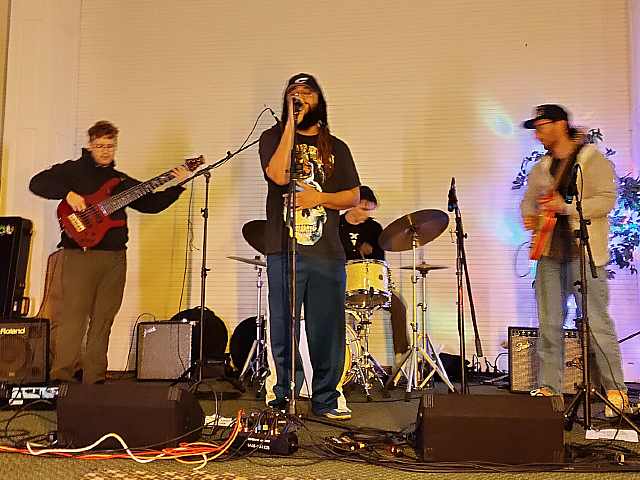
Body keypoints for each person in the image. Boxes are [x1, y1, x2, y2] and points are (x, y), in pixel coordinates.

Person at [29, 120, 189, 385]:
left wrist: (179, 185)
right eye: (100, 145)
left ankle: (94, 378)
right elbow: (37, 183)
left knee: (103, 319)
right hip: (80, 255)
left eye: (110, 146)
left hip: (114, 257)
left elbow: (150, 204)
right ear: (90, 145)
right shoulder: (73, 170)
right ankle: (61, 378)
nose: (105, 151)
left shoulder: (121, 182)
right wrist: (67, 193)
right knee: (73, 318)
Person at [259, 74, 360, 420]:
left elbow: (353, 196)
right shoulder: (273, 137)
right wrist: (290, 123)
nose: (300, 97)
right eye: (293, 93)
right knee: (283, 328)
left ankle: (327, 399)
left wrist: (319, 198)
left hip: (326, 251)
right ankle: (282, 398)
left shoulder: (337, 147)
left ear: (319, 100)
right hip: (283, 248)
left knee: (327, 329)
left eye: (306, 93)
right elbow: (277, 174)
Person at [520, 104, 629, 417]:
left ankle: (616, 390)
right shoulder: (541, 167)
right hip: (548, 254)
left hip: (585, 254)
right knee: (549, 324)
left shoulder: (591, 160)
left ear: (560, 125)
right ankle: (549, 388)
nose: (537, 134)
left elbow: (606, 200)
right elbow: (528, 200)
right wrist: (529, 215)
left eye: (541, 126)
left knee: (596, 322)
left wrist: (566, 207)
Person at [339, 185, 409, 360]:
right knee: (330, 312)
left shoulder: (374, 228)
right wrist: (355, 252)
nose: (367, 214)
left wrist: (371, 253)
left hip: (370, 285)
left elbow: (380, 261)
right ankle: (342, 361)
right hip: (341, 283)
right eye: (364, 209)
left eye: (370, 210)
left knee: (399, 307)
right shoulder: (336, 225)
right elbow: (330, 254)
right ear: (352, 205)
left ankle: (400, 357)